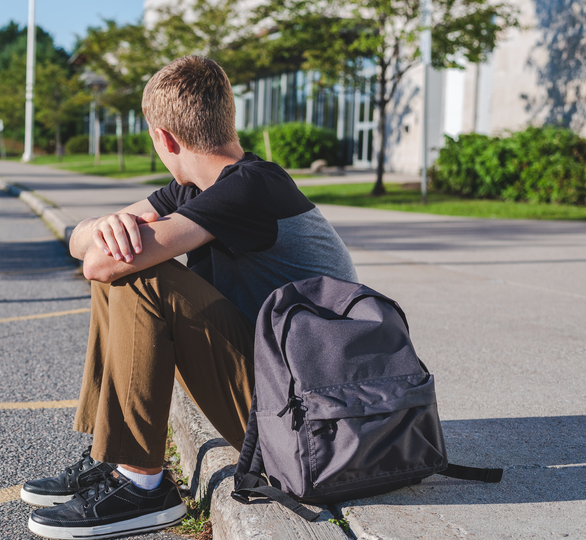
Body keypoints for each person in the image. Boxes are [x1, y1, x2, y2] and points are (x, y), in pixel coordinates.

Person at [22, 56, 358, 540]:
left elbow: (100, 263)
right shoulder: (200, 188)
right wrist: (101, 226)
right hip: (289, 402)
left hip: (309, 423)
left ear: (164, 138)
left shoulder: (248, 189)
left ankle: (143, 485)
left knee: (141, 276)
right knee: (125, 261)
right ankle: (113, 457)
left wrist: (107, 240)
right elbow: (84, 244)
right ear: (228, 118)